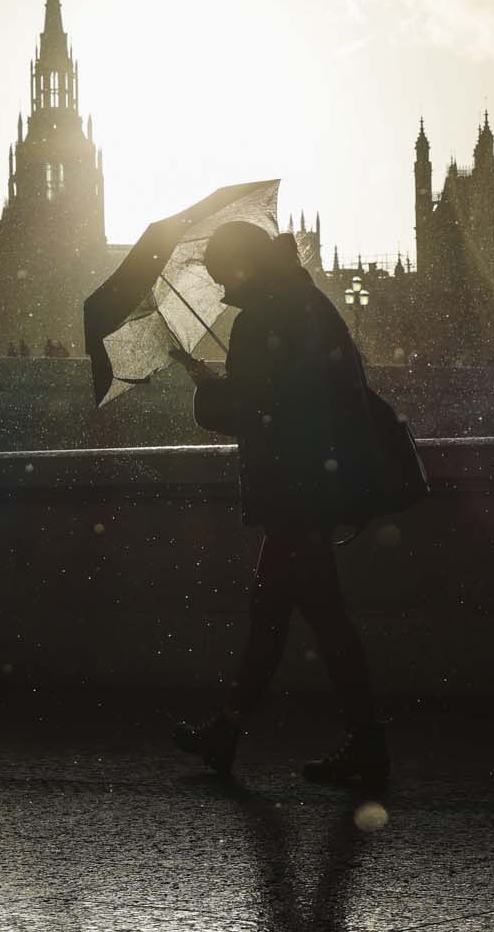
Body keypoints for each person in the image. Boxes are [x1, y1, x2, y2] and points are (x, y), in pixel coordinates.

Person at [171, 221, 389, 792]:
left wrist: (203, 385)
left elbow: (253, 410)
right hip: (315, 482)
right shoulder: (303, 300)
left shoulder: (262, 318)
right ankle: (231, 730)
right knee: (281, 615)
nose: (219, 287)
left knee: (310, 617)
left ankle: (365, 743)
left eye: (221, 275)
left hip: (293, 489)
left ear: (241, 267)